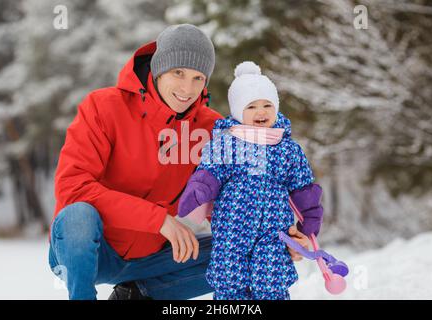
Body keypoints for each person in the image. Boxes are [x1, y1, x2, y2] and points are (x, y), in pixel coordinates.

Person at [49, 24, 222, 300]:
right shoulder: (103, 107)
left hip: (155, 259)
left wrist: (283, 230)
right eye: (178, 72)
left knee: (258, 250)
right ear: (158, 67)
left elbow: (235, 193)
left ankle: (136, 294)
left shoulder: (211, 128)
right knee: (78, 216)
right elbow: (73, 187)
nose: (187, 88)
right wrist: (158, 220)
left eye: (198, 78)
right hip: (92, 253)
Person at [178, 61, 324, 300]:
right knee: (229, 281)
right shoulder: (225, 144)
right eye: (252, 106)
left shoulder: (287, 149)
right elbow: (210, 173)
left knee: (271, 282)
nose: (261, 112)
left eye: (267, 105)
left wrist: (308, 226)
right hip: (231, 230)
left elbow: (304, 191)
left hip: (273, 233)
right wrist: (198, 190)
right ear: (238, 112)